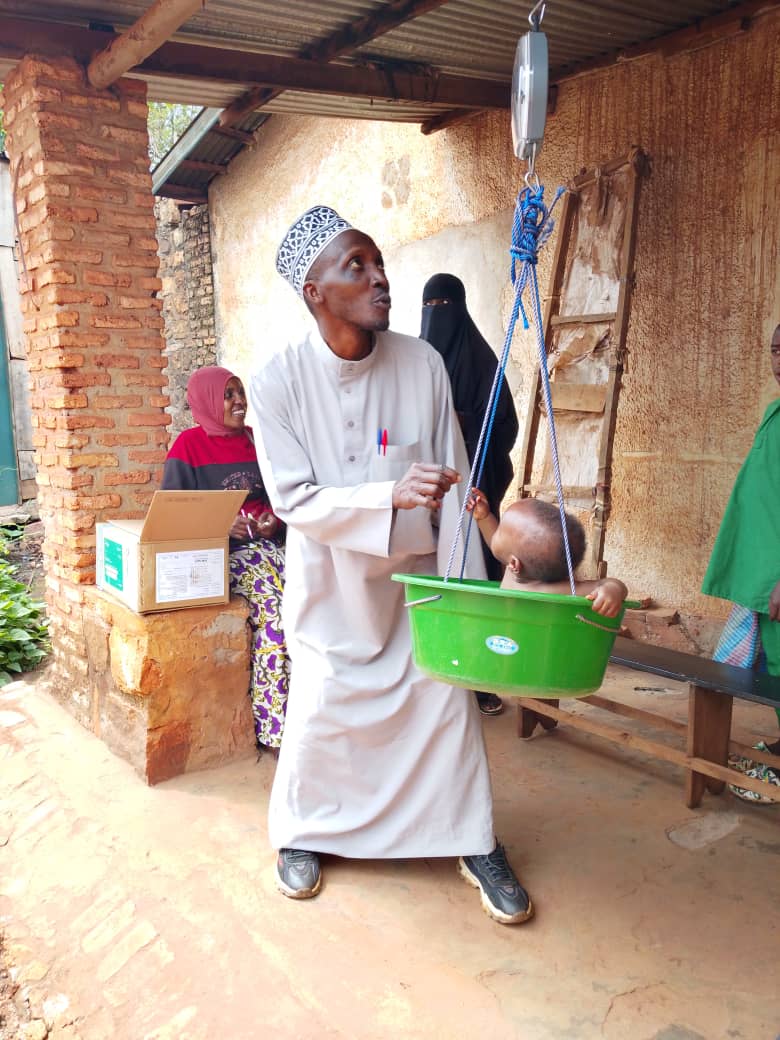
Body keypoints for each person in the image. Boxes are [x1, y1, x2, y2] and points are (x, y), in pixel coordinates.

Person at [249, 205, 533, 925]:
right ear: (314, 291)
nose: (380, 279)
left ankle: (472, 840)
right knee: (321, 717)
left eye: (379, 263)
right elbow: (293, 499)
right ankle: (305, 834)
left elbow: (458, 474)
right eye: (357, 267)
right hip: (334, 592)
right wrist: (386, 494)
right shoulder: (277, 383)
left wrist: (466, 599)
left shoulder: (424, 362)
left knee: (444, 711)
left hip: (417, 590)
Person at [162, 366, 290, 753]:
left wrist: (273, 519)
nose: (239, 401)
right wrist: (219, 523)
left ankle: (319, 716)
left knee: (316, 595)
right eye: (228, 394)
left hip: (269, 547)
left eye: (240, 392)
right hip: (223, 557)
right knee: (277, 607)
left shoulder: (257, 441)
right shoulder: (188, 447)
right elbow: (173, 517)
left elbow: (281, 496)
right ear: (206, 400)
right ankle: (275, 724)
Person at [421, 273, 519, 717]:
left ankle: (481, 680)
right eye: (429, 306)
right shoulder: (417, 363)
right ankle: (434, 676)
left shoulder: (483, 364)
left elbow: (506, 428)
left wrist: (466, 423)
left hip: (476, 494)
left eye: (444, 305)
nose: (435, 316)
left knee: (476, 583)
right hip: (426, 498)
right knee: (431, 583)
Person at [702, 323, 780, 803]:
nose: (779, 359)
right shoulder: (774, 412)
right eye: (775, 349)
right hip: (762, 576)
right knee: (770, 666)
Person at [467, 489, 628, 614]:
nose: (496, 532)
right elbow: (497, 546)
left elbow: (609, 584)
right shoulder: (518, 567)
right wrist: (484, 517)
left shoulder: (558, 591)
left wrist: (612, 590)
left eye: (500, 530)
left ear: (514, 564)